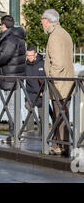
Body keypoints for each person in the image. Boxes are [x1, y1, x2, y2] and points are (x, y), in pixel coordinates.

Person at [41, 9, 74, 156]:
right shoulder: (65, 33)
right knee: (61, 115)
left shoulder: (55, 36)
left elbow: (58, 64)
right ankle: (59, 144)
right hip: (67, 82)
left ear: (47, 21)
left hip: (58, 84)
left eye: (42, 20)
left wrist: (50, 79)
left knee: (59, 115)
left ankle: (61, 146)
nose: (41, 23)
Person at [0, 15, 26, 144]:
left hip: (9, 77)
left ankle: (16, 134)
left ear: (4, 25)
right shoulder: (17, 38)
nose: (0, 27)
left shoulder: (10, 40)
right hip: (14, 76)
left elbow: (4, 56)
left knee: (11, 107)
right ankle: (15, 134)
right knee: (12, 106)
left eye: (1, 24)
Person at [25, 45, 54, 130]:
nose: (29, 57)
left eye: (31, 55)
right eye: (27, 55)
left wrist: (44, 90)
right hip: (30, 94)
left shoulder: (43, 63)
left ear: (35, 54)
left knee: (43, 116)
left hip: (41, 94)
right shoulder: (24, 65)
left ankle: (43, 133)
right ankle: (29, 133)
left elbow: (47, 78)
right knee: (29, 110)